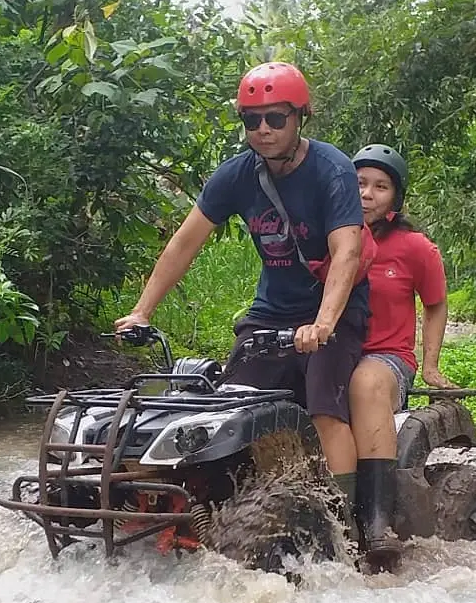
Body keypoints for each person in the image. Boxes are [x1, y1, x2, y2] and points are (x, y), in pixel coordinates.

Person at [115, 61, 371, 516]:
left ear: (300, 117)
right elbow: (183, 244)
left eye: (276, 118)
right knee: (228, 408)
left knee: (324, 408)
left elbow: (346, 253)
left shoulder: (332, 170)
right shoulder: (235, 175)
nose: (264, 129)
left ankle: (346, 523)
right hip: (269, 315)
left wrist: (323, 324)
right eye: (253, 120)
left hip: (332, 314)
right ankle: (224, 509)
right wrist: (142, 312)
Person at [347, 142, 457, 569]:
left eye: (381, 186)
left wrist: (429, 364)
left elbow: (436, 302)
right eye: (359, 184)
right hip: (330, 353)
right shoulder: (326, 235)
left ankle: (376, 521)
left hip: (387, 359)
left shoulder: (414, 247)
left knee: (367, 382)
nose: (368, 195)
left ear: (396, 197)